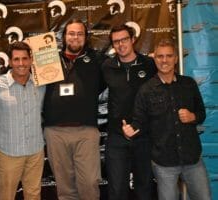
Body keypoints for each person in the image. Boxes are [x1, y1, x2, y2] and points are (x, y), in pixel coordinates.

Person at [122, 38, 211, 200]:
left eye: (169, 56)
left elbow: (201, 113)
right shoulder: (146, 90)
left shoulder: (189, 84)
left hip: (192, 160)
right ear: (154, 59)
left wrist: (193, 116)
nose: (164, 60)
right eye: (160, 56)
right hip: (164, 163)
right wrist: (131, 130)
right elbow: (139, 122)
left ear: (176, 59)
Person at [43, 18, 105, 200]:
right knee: (65, 187)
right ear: (64, 36)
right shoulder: (48, 60)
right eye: (71, 33)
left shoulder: (97, 60)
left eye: (80, 34)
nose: (75, 37)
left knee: (89, 183)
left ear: (86, 37)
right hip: (55, 132)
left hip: (86, 131)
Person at [101, 24, 157, 200]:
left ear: (133, 40)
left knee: (144, 188)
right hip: (117, 138)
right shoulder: (107, 67)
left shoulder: (149, 65)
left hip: (145, 137)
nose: (121, 44)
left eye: (124, 39)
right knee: (117, 190)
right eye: (116, 41)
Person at [0, 41, 45, 200]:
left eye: (24, 58)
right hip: (8, 154)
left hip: (35, 152)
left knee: (34, 195)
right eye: (16, 59)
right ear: (9, 62)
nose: (21, 63)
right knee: (6, 196)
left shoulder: (41, 84)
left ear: (31, 60)